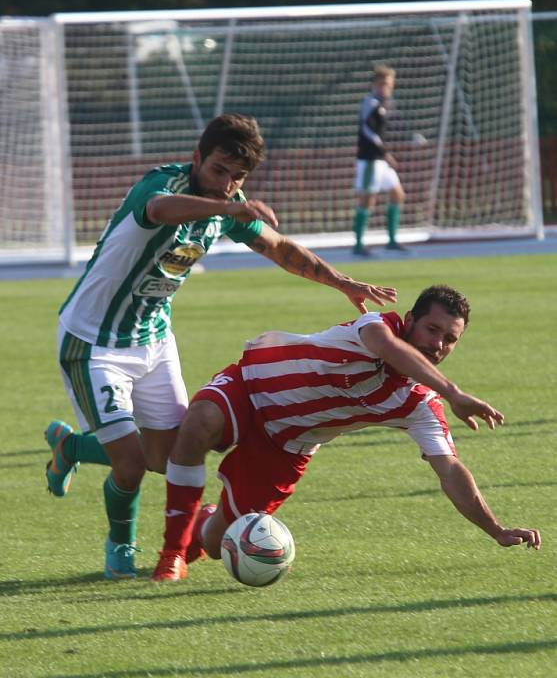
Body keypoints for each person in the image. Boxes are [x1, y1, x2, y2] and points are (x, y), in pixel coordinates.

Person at [44, 112, 397, 580]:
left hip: (152, 340)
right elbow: (159, 211)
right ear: (196, 158)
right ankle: (120, 547)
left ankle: (71, 447)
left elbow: (278, 247)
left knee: (164, 459)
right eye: (218, 171)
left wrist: (338, 280)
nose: (227, 184)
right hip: (93, 343)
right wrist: (229, 210)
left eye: (237, 178)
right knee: (129, 464)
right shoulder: (162, 186)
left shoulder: (228, 204)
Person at [151, 284, 540, 582]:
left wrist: (496, 529)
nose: (437, 345)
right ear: (409, 319)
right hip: (251, 386)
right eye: (432, 329)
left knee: (219, 544)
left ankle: (201, 527)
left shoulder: (419, 405)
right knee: (199, 423)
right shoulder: (377, 326)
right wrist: (453, 391)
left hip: (286, 447)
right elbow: (386, 348)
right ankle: (170, 553)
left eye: (450, 339)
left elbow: (450, 470)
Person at [353, 64, 407, 256]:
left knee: (397, 194)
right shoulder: (370, 102)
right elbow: (367, 130)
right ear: (375, 84)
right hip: (369, 159)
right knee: (368, 199)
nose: (387, 88)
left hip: (380, 160)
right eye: (384, 84)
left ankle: (392, 240)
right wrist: (384, 152)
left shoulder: (386, 104)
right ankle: (358, 245)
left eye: (390, 84)